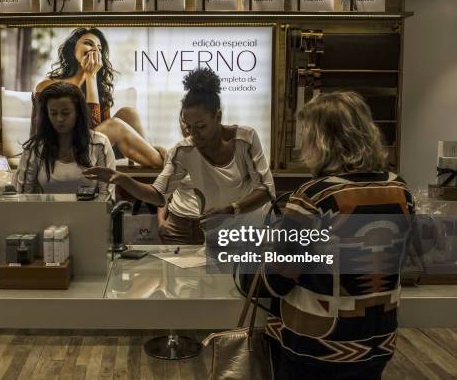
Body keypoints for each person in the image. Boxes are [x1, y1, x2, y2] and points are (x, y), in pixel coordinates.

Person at [261, 92, 415, 380]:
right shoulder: (400, 188)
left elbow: (278, 279)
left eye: (304, 134)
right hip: (378, 340)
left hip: (318, 345)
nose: (300, 144)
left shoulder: (313, 196)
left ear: (320, 140)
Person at [83, 68, 275, 226]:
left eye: (201, 127)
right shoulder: (184, 151)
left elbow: (266, 189)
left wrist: (231, 210)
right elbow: (159, 195)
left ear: (218, 117)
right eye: (188, 126)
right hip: (217, 231)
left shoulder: (245, 140)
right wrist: (123, 179)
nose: (194, 134)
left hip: (252, 228)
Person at [33, 27, 164, 167]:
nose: (95, 50)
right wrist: (90, 76)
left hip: (93, 147)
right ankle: (165, 163)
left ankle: (154, 158)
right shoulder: (47, 85)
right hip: (62, 147)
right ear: (73, 49)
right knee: (115, 126)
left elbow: (100, 135)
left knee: (128, 113)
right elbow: (91, 132)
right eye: (89, 43)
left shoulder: (97, 88)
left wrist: (91, 81)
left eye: (99, 48)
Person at [17, 82, 115, 198]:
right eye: (53, 113)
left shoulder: (99, 144)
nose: (59, 119)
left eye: (65, 113)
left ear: (78, 112)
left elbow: (107, 197)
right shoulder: (35, 148)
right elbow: (22, 197)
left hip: (90, 214)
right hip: (46, 215)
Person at [156, 116, 204, 245]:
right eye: (184, 121)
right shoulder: (174, 152)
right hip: (176, 227)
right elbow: (164, 192)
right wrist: (161, 222)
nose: (188, 125)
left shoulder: (218, 153)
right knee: (172, 265)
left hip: (207, 228)